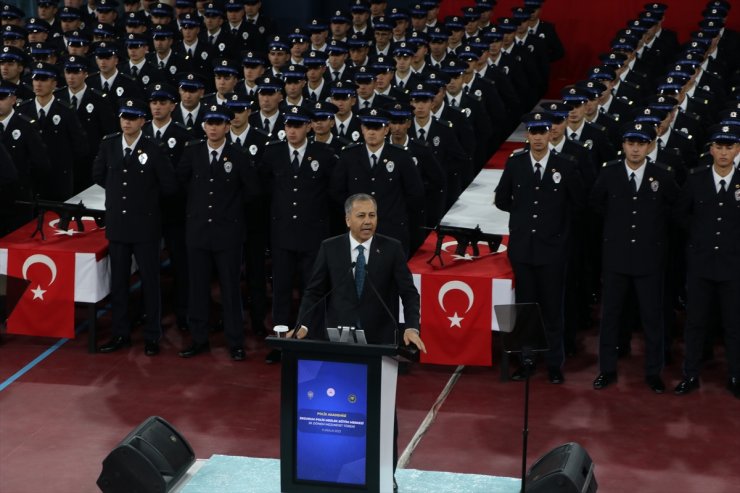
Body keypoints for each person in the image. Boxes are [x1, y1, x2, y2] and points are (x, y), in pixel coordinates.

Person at [290, 193, 426, 493]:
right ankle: (335, 473)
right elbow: (314, 292)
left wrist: (411, 327)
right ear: (348, 219)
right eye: (362, 216)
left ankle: (385, 475)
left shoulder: (390, 249)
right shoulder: (330, 248)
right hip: (338, 346)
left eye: (372, 216)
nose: (368, 222)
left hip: (379, 348)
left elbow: (408, 293)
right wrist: (302, 326)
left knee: (383, 417)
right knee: (338, 412)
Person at [494, 112, 586, 384]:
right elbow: (501, 199)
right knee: (525, 307)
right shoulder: (516, 163)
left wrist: (557, 227)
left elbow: (578, 203)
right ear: (527, 135)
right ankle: (527, 360)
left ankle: (555, 363)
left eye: (542, 132)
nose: (537, 137)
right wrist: (522, 217)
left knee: (552, 308)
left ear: (550, 134)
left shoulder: (566, 165)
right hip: (523, 249)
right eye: (532, 132)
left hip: (553, 250)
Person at [589, 121, 679, 393]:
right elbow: (595, 203)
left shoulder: (662, 175)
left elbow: (674, 208)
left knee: (652, 318)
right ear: (623, 145)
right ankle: (606, 369)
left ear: (649, 146)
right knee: (611, 316)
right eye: (631, 143)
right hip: (616, 257)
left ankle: (654, 372)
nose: (635, 148)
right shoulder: (610, 172)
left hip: (649, 259)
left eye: (641, 143)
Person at [93, 98, 178, 356]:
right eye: (124, 117)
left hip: (145, 227)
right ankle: (121, 333)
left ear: (143, 120)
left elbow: (169, 185)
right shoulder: (109, 144)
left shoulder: (154, 147)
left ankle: (152, 335)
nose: (127, 122)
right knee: (118, 282)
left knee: (150, 282)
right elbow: (98, 175)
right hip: (118, 226)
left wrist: (146, 203)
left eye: (132, 117)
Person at [177, 104, 259, 361]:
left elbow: (253, 191)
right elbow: (180, 184)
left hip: (228, 234)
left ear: (227, 126)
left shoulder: (239, 155)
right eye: (209, 122)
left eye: (218, 122)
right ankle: (198, 338)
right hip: (198, 232)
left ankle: (235, 341)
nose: (213, 127)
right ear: (204, 126)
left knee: (231, 289)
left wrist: (231, 214)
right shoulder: (192, 152)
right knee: (198, 288)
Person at [259, 105, 338, 362]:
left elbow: (333, 194)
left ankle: (310, 338)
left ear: (308, 127)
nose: (291, 131)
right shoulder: (273, 154)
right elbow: (265, 191)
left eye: (297, 125)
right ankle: (280, 343)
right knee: (281, 290)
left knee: (311, 289)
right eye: (288, 126)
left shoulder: (324, 155)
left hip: (313, 235)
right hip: (282, 234)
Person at [674, 125, 740, 399]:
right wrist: (698, 237)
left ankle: (735, 376)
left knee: (734, 324)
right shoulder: (696, 178)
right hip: (701, 263)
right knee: (696, 322)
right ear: (711, 149)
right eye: (719, 147)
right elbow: (680, 214)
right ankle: (690, 374)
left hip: (733, 265)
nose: (723, 153)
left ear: (736, 150)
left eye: (729, 147)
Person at [332, 107, 425, 256]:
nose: (372, 132)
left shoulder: (401, 156)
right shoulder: (349, 155)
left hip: (392, 231)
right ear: (362, 129)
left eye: (377, 127)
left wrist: (397, 216)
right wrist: (356, 216)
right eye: (368, 127)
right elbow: (337, 191)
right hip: (357, 232)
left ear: (386, 129)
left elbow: (415, 193)